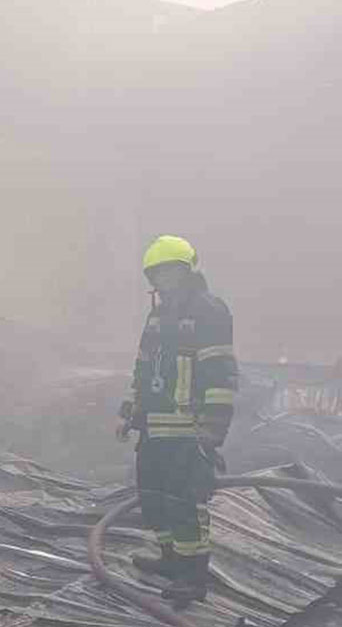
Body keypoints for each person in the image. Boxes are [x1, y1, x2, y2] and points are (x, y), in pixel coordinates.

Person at [117, 235, 237, 606]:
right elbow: (143, 366)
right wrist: (130, 410)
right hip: (154, 426)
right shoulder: (157, 315)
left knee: (185, 502)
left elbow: (219, 373)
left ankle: (193, 576)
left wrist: (211, 430)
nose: (163, 279)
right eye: (157, 273)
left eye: (169, 270)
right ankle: (170, 560)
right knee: (154, 497)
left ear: (187, 270)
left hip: (188, 429)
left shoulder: (209, 311)